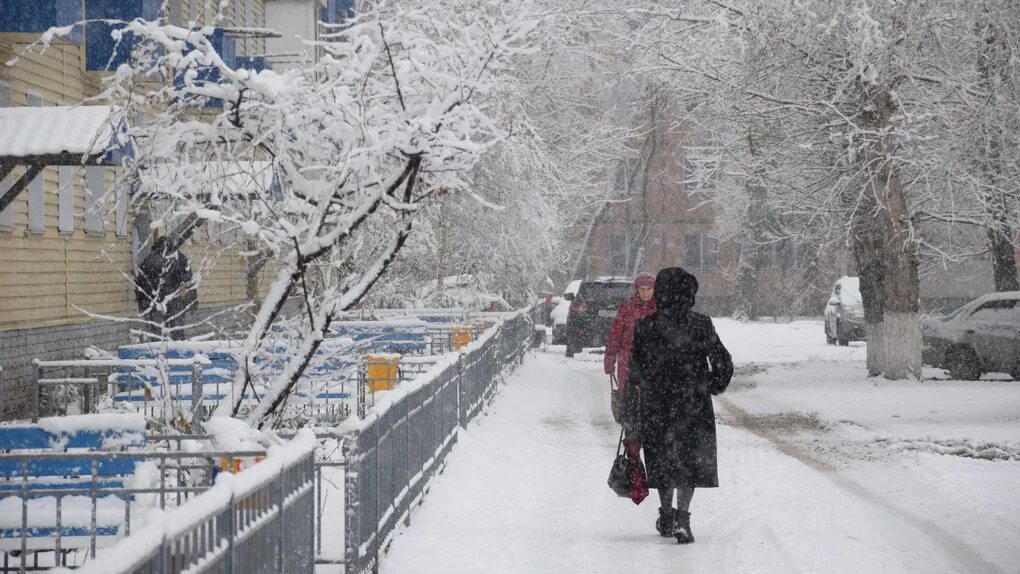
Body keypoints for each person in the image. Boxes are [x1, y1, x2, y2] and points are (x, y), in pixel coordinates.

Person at [622, 267, 733, 544]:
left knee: (662, 459)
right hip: (692, 405)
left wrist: (629, 405)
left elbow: (634, 372)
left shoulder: (645, 326)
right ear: (689, 293)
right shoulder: (701, 324)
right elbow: (723, 361)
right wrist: (710, 385)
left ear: (659, 293)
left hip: (657, 404)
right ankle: (683, 517)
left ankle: (666, 513)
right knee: (688, 460)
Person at [604, 272, 656, 484]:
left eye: (649, 289)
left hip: (654, 369)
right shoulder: (627, 309)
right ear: (637, 289)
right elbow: (615, 334)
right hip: (629, 368)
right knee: (631, 411)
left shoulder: (659, 309)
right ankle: (633, 455)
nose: (645, 293)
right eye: (642, 289)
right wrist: (610, 356)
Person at [135, 236, 197, 341]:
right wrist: (192, 301)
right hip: (176, 304)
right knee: (177, 333)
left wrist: (143, 304)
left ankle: (159, 354)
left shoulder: (149, 260)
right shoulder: (180, 259)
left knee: (157, 335)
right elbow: (189, 282)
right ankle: (179, 353)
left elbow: (141, 284)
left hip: (155, 303)